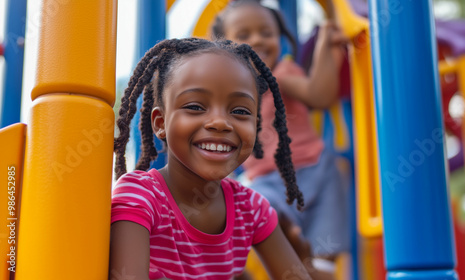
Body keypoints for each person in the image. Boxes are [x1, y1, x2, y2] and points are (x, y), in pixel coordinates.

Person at [109, 37, 331, 280]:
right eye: (195, 106)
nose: (220, 123)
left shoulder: (252, 209)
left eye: (239, 111)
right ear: (161, 124)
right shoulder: (140, 197)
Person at [211, 0, 350, 268]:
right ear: (223, 46)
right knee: (259, 212)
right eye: (244, 35)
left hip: (319, 173)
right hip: (268, 182)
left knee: (325, 253)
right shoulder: (226, 94)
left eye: (266, 33)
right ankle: (292, 256)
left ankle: (318, 267)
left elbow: (319, 96)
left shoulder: (281, 74)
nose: (257, 40)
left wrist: (325, 47)